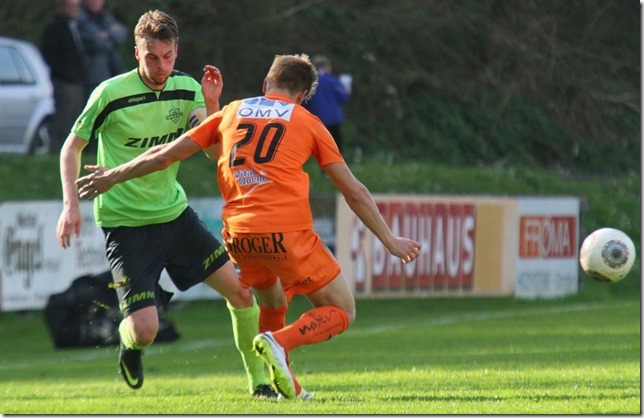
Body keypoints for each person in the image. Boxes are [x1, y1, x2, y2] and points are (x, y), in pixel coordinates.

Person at [73, 53, 422, 400]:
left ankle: (283, 384)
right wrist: (389, 239)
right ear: (302, 96)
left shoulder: (231, 111)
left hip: (240, 239)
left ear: (266, 84)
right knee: (343, 309)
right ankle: (279, 342)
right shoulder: (308, 121)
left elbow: (166, 154)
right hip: (286, 234)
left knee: (272, 303)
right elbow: (354, 192)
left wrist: (112, 175)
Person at [55, 10, 277, 399]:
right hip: (125, 225)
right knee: (145, 331)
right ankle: (129, 343)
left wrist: (212, 104)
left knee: (243, 295)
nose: (161, 66)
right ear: (136, 52)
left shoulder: (188, 88)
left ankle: (259, 384)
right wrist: (70, 204)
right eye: (152, 57)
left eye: (168, 56)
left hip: (175, 217)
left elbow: (213, 153)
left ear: (176, 51)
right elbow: (71, 147)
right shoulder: (110, 93)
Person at [41, 0, 87, 153]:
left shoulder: (74, 25)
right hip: (64, 81)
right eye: (70, 6)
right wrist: (65, 74)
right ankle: (58, 149)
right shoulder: (54, 27)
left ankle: (70, 149)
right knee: (63, 116)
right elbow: (50, 55)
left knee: (74, 116)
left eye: (76, 6)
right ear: (61, 7)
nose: (74, 9)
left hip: (76, 80)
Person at [77, 0, 127, 96]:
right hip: (92, 78)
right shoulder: (80, 19)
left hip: (114, 74)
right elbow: (97, 42)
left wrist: (105, 35)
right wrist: (111, 36)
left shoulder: (106, 17)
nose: (95, 2)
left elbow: (121, 33)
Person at [303, 55, 351, 152]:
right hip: (334, 119)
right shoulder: (334, 81)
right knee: (336, 148)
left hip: (317, 120)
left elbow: (304, 102)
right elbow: (344, 98)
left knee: (322, 149)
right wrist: (348, 90)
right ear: (327, 67)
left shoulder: (310, 83)